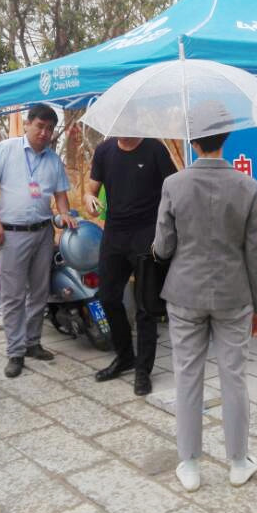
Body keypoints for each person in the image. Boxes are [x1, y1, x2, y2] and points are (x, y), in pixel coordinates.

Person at [153, 130, 257, 493]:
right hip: (234, 294)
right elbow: (256, 252)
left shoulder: (173, 184)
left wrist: (159, 248)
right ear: (225, 138)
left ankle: (189, 465)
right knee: (234, 376)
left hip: (185, 292)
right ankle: (238, 462)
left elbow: (163, 247)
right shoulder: (247, 186)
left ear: (194, 142)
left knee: (187, 375)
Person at [0, 103, 78, 378]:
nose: (44, 132)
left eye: (49, 128)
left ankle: (32, 342)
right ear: (27, 124)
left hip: (43, 233)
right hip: (11, 233)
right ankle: (15, 352)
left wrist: (64, 213)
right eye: (39, 126)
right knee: (13, 295)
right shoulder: (6, 149)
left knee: (39, 291)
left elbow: (60, 195)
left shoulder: (53, 160)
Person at [85, 136, 178, 396]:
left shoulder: (155, 149)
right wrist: (89, 199)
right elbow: (91, 189)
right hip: (114, 235)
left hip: (146, 235)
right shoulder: (104, 150)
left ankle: (143, 370)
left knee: (145, 305)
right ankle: (125, 356)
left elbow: (174, 188)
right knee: (108, 297)